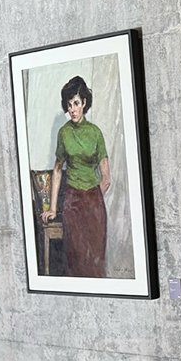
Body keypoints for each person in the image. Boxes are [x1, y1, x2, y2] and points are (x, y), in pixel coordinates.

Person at [40, 76, 110, 277]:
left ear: (84, 103)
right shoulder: (64, 133)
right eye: (69, 105)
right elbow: (57, 170)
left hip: (94, 204)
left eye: (76, 103)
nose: (72, 109)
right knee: (76, 260)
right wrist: (53, 208)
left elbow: (106, 178)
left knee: (95, 262)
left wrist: (93, 199)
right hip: (72, 203)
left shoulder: (95, 133)